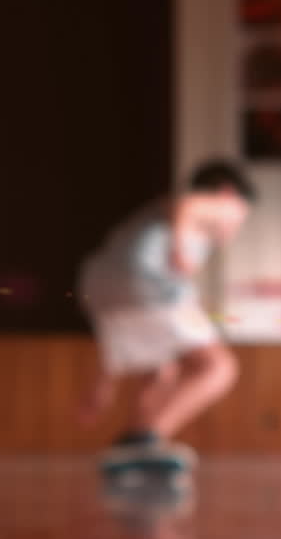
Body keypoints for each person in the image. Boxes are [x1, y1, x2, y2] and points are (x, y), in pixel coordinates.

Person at [77, 160, 255, 470]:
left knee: (160, 371)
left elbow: (116, 325)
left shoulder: (158, 222)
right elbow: (188, 205)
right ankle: (144, 442)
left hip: (100, 285)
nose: (238, 226)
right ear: (228, 193)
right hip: (146, 284)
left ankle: (130, 452)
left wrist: (102, 382)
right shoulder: (218, 204)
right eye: (243, 215)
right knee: (218, 367)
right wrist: (179, 248)